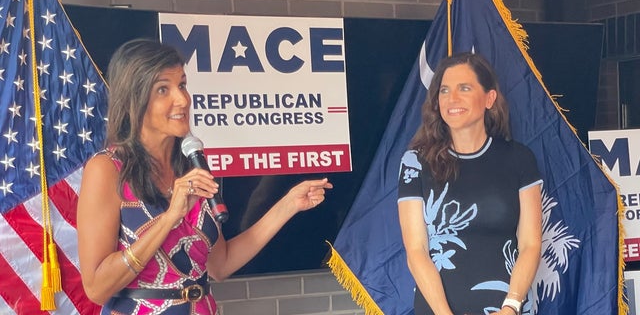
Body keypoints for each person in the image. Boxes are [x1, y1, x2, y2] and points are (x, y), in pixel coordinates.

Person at [76, 38, 333, 314]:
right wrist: (169, 219)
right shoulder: (107, 170)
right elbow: (97, 288)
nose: (182, 99)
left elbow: (220, 264)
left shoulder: (192, 164)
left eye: (182, 85)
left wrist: (288, 204)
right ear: (133, 100)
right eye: (163, 89)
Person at [397, 52, 542, 315]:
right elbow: (416, 250)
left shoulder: (520, 158)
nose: (452, 98)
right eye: (444, 90)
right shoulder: (415, 162)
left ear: (489, 98)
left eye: (464, 88)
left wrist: (512, 305)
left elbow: (530, 244)